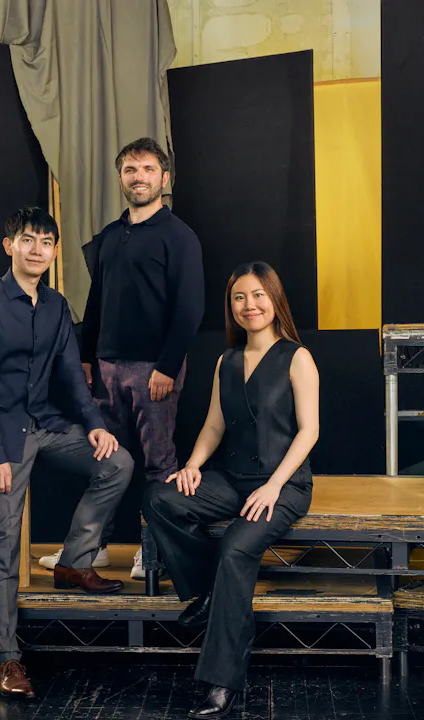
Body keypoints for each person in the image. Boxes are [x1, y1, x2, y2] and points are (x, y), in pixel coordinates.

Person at [0, 207, 134, 699]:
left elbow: (71, 377)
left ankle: (73, 561)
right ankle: (4, 656)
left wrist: (95, 426)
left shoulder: (56, 305)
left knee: (117, 463)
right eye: (28, 240)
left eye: (46, 242)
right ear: (9, 246)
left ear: (55, 252)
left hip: (43, 424)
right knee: (3, 542)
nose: (37, 249)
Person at [142, 262, 319, 718]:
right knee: (161, 498)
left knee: (236, 548)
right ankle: (209, 593)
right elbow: (214, 425)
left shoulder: (297, 357)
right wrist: (192, 466)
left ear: (274, 299)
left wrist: (275, 486)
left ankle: (222, 682)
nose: (249, 305)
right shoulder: (227, 361)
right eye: (239, 297)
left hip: (283, 484)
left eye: (258, 295)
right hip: (233, 478)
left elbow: (309, 431)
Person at [37, 137, 205, 579]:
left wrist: (167, 366)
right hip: (106, 367)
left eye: (148, 169)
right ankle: (92, 548)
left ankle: (153, 553)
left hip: (154, 370)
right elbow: (96, 303)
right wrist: (86, 357)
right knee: (105, 462)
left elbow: (190, 308)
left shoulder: (180, 237)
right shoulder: (111, 237)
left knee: (158, 464)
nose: (139, 177)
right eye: (131, 170)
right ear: (120, 179)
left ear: (163, 179)